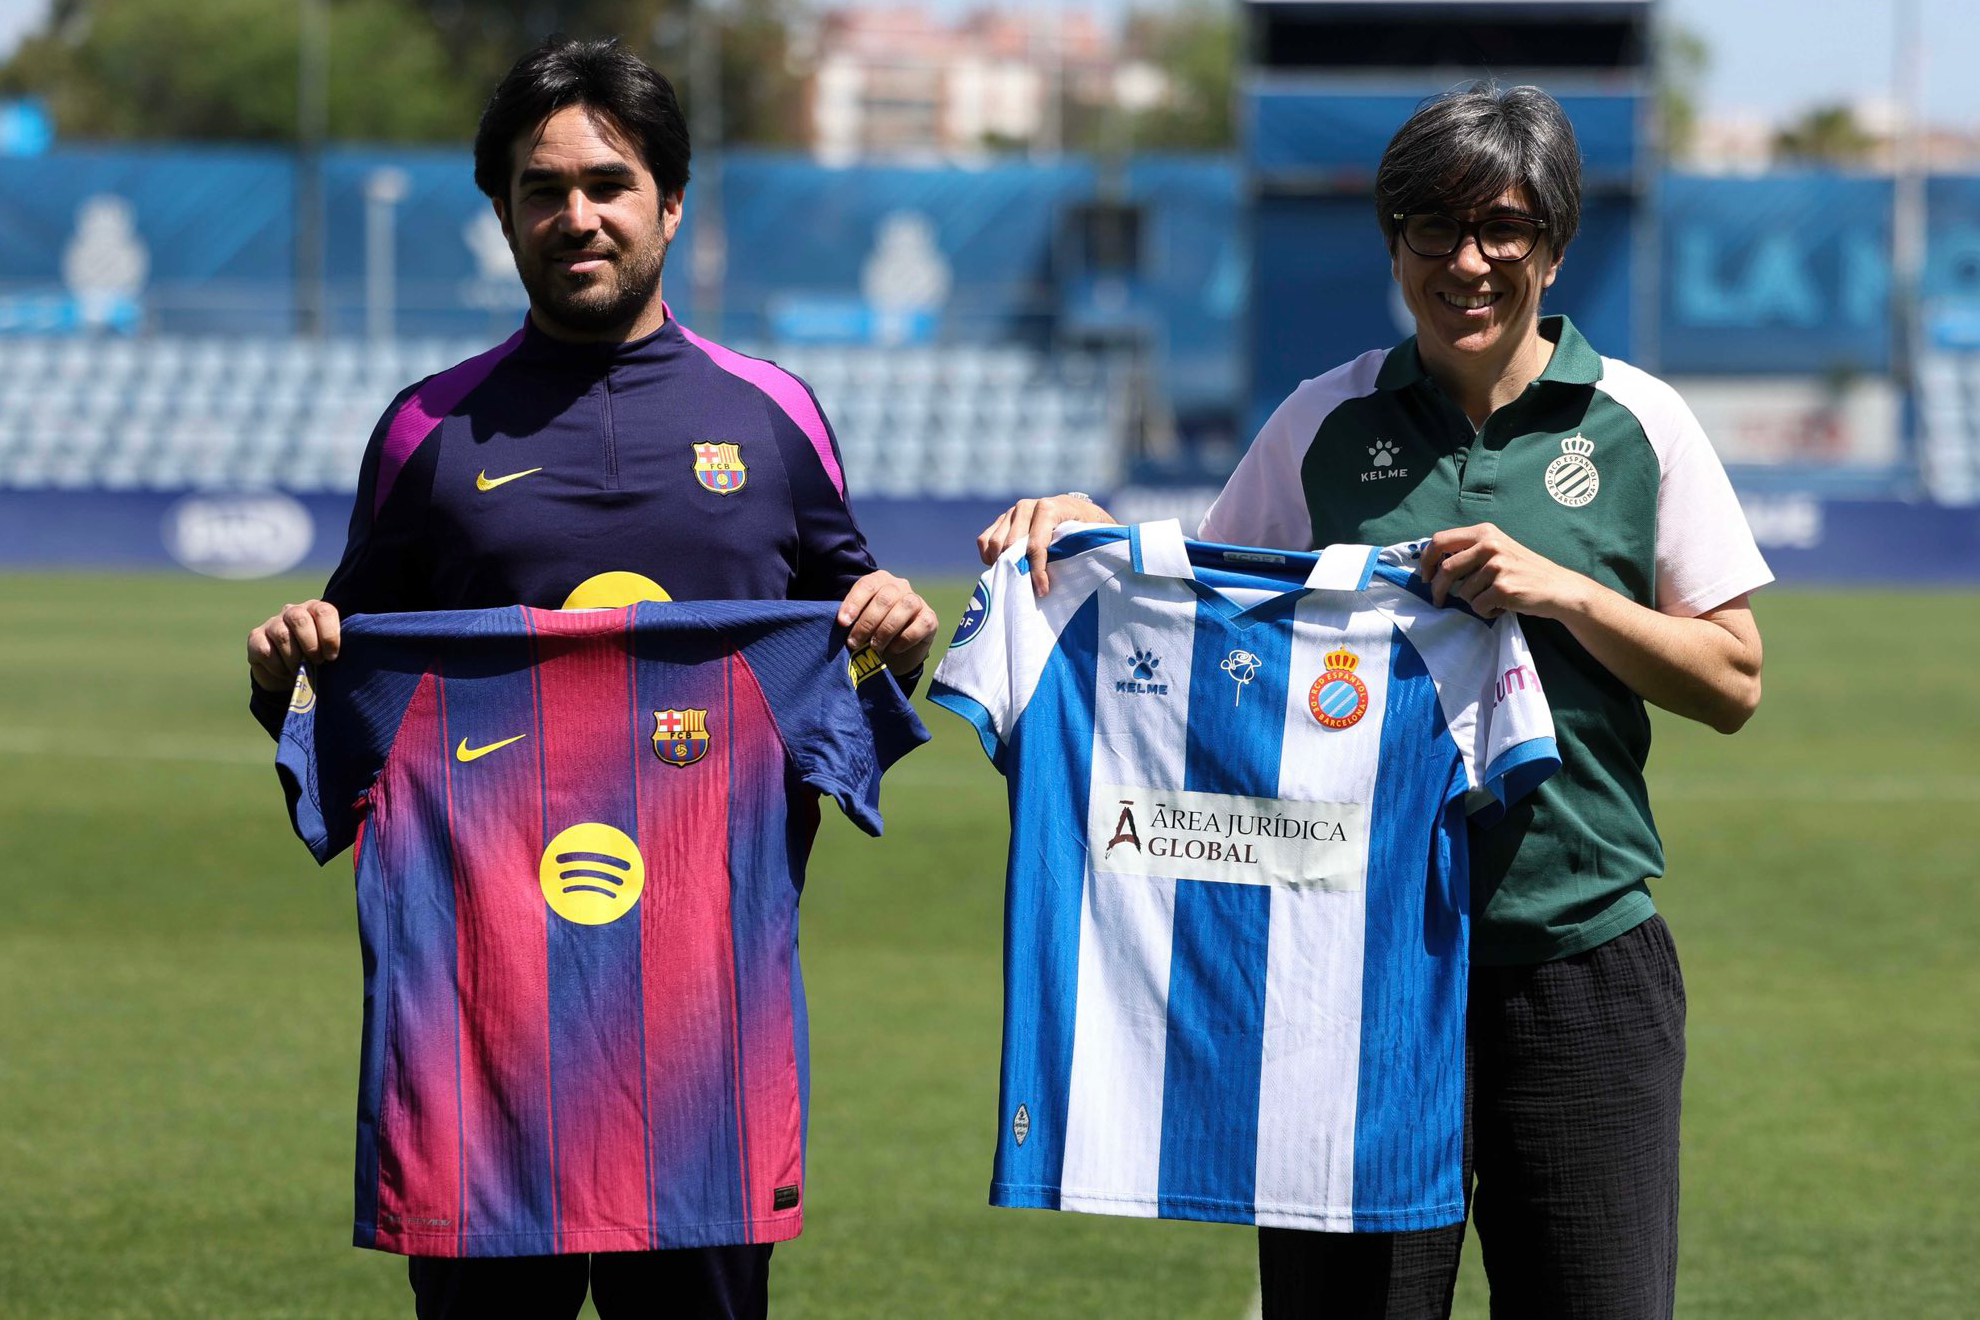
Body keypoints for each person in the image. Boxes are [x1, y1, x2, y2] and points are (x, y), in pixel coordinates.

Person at [978, 83, 1770, 1319]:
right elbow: (1208, 625)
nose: (1468, 262)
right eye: (1433, 229)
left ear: (1555, 245)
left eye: (1502, 228)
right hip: (1342, 975)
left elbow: (1732, 680)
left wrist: (1564, 592)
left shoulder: (1641, 424)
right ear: (1395, 246)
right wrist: (1089, 536)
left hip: (1576, 957)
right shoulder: (1322, 419)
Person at [246, 36, 937, 1320]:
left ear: (670, 203)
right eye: (543, 189)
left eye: (609, 184)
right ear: (504, 215)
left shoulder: (773, 416)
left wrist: (901, 633)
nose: (578, 216)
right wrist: (289, 665)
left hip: (703, 1039)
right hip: (482, 1045)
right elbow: (346, 701)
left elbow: (853, 652)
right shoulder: (427, 430)